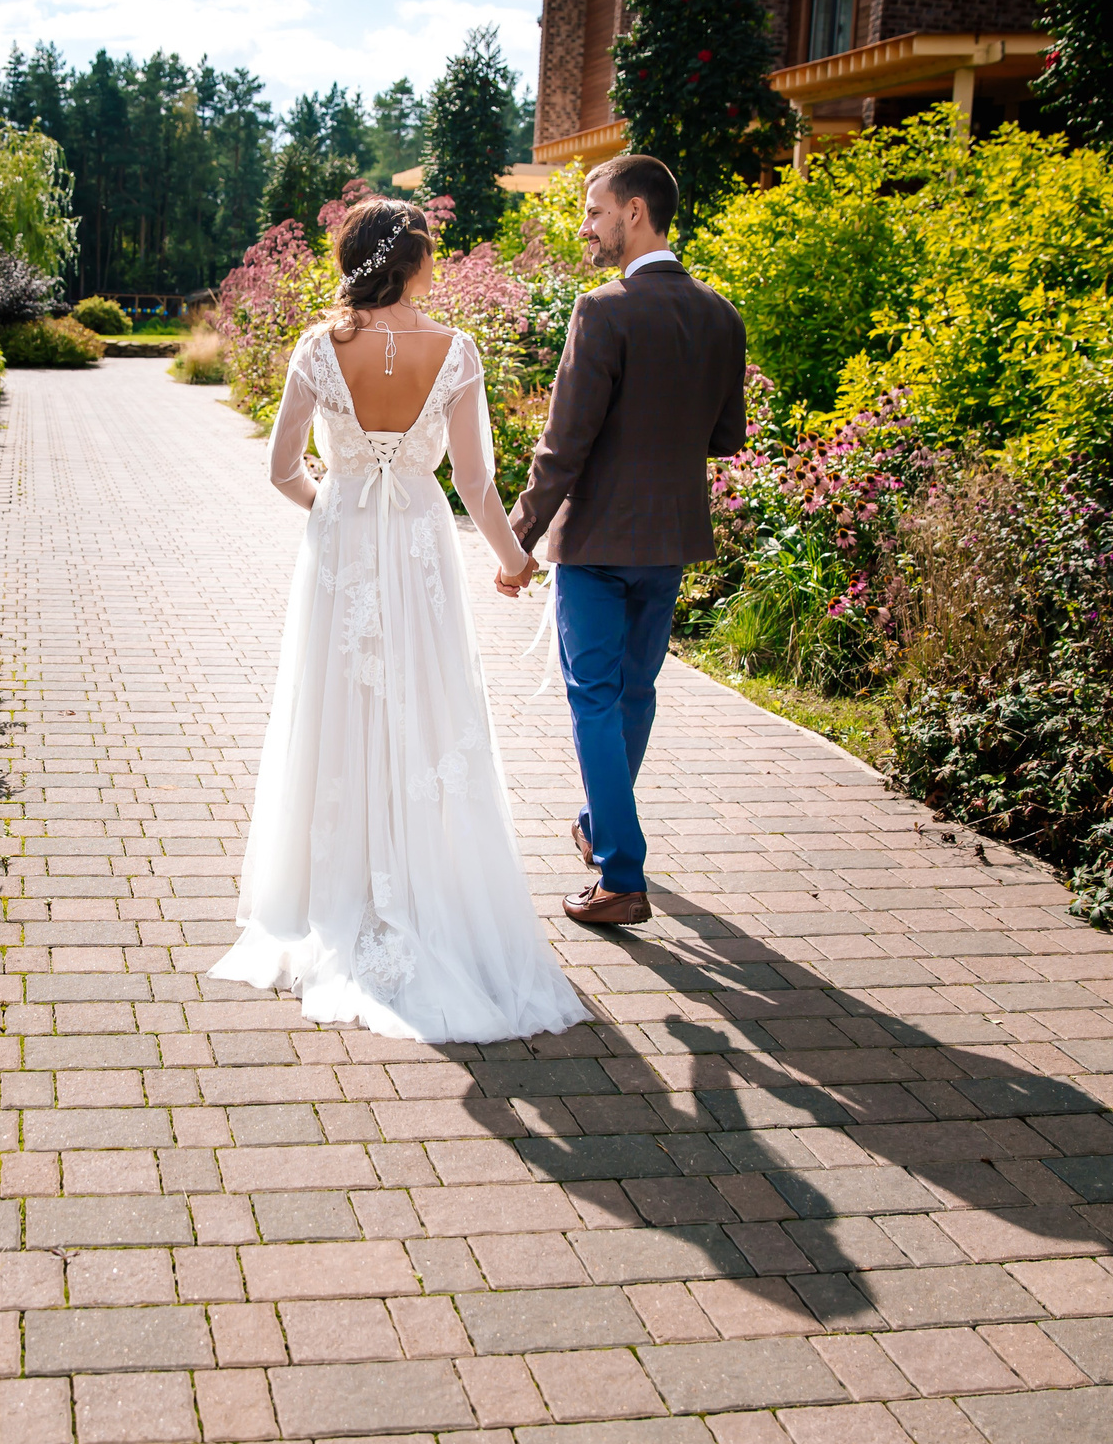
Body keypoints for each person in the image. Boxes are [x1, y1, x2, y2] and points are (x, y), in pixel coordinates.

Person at [209, 198, 588, 1044]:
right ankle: (422, 885)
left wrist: (333, 509)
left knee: (336, 711)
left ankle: (332, 892)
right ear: (416, 261)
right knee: (425, 710)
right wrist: (513, 559)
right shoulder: (455, 351)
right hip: (420, 558)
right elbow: (476, 483)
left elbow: (280, 469)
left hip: (341, 560)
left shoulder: (319, 346)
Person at [498, 154, 749, 928]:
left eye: (594, 209)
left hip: (600, 543)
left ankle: (620, 874)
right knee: (634, 693)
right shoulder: (722, 314)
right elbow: (726, 436)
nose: (586, 225)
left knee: (594, 700)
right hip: (670, 540)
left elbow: (562, 442)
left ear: (635, 212)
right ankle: (602, 829)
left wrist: (518, 537)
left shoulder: (602, 309)